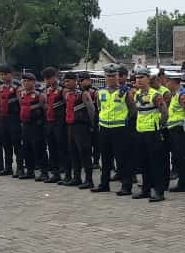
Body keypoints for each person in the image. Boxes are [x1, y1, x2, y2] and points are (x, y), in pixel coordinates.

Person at [128, 67, 168, 201]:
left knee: (156, 163)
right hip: (140, 132)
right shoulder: (136, 94)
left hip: (153, 132)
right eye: (137, 78)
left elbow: (165, 112)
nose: (138, 80)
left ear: (148, 79)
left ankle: (159, 191)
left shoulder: (155, 95)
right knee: (144, 163)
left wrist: (160, 127)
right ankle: (146, 190)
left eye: (141, 78)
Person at [92, 64, 132, 194]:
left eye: (113, 76)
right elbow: (99, 108)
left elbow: (132, 110)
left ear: (117, 77)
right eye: (108, 76)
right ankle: (104, 184)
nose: (111, 78)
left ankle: (126, 185)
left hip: (120, 129)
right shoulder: (100, 92)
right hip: (104, 128)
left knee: (122, 158)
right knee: (105, 158)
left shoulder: (125, 92)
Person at [163, 71, 185, 195]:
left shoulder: (182, 95)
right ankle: (182, 184)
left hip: (180, 130)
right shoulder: (174, 95)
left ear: (173, 82)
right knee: (177, 159)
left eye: (168, 81)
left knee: (182, 158)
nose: (166, 83)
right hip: (173, 130)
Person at [62, 71, 95, 189]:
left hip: (81, 127)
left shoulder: (83, 94)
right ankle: (76, 178)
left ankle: (89, 179)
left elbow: (91, 110)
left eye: (68, 81)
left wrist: (92, 126)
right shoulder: (67, 94)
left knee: (84, 153)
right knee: (73, 153)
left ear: (75, 81)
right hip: (71, 126)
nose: (66, 83)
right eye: (65, 81)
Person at [18, 72, 47, 180]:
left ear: (34, 82)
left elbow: (45, 109)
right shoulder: (22, 94)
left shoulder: (39, 95)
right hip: (25, 125)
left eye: (28, 81)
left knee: (39, 148)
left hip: (36, 125)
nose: (25, 83)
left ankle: (44, 172)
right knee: (26, 148)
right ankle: (30, 171)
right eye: (24, 81)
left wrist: (42, 123)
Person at [0, 65, 22, 176]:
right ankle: (8, 167)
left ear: (11, 74)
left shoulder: (17, 87)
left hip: (14, 118)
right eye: (2, 74)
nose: (3, 76)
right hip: (3, 118)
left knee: (16, 144)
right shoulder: (0, 87)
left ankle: (20, 168)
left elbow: (22, 103)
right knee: (6, 144)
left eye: (5, 74)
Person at [42, 67, 66, 183]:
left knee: (62, 148)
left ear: (54, 77)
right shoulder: (47, 90)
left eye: (48, 78)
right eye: (45, 79)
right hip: (50, 122)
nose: (47, 81)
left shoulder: (62, 90)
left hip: (60, 122)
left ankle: (67, 174)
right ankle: (55, 173)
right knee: (52, 148)